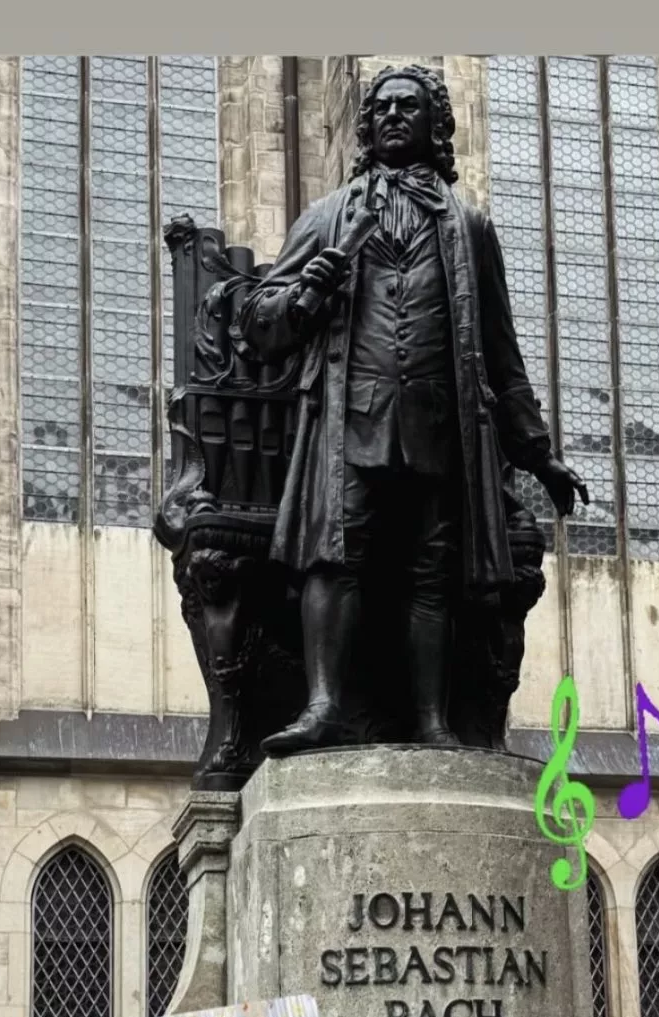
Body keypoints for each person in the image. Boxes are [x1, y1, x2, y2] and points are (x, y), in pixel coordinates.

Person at [237, 64, 587, 755]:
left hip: (438, 425)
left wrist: (537, 451)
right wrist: (305, 295)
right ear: (366, 127)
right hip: (349, 420)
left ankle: (432, 720)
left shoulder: (469, 227)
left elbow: (501, 351)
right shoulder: (329, 216)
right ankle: (326, 706)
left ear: (435, 125)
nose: (396, 115)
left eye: (411, 106)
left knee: (435, 570)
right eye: (385, 107)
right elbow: (258, 324)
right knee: (334, 558)